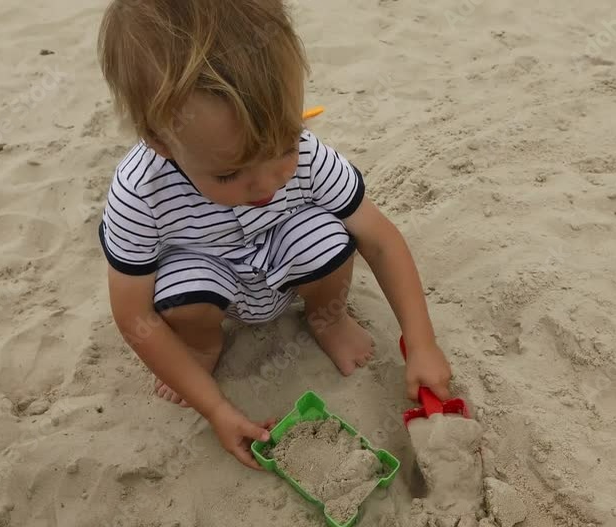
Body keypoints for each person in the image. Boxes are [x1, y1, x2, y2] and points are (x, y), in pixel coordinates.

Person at [95, 0, 452, 469]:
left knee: (329, 235)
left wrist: (421, 342)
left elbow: (381, 239)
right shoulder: (141, 192)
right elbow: (133, 315)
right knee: (180, 294)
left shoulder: (306, 153)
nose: (266, 184)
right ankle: (202, 347)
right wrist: (216, 408)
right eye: (230, 175)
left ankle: (327, 319)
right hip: (209, 282)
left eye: (283, 146)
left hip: (287, 265)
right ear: (163, 141)